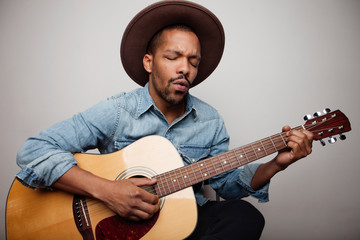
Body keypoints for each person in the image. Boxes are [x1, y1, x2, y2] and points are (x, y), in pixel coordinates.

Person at [16, 1, 313, 239]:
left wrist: (276, 163)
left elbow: (227, 186)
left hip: (184, 221)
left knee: (245, 217)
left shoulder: (210, 121)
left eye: (193, 61)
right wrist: (108, 191)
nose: (185, 68)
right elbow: (33, 151)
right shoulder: (118, 110)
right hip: (117, 226)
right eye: (173, 57)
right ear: (149, 62)